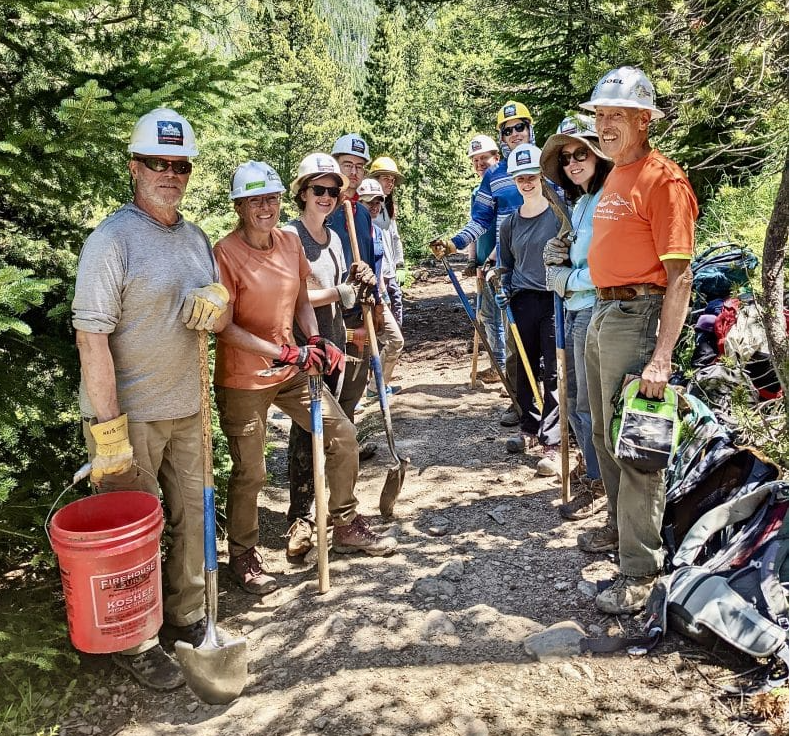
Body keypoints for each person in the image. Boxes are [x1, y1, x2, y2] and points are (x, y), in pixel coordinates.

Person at [72, 108, 230, 690]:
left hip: (189, 408)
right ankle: (136, 637)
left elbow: (217, 310)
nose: (171, 174)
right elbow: (91, 340)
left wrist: (218, 306)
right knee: (135, 532)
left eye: (180, 165)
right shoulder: (110, 242)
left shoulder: (195, 240)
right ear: (135, 167)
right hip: (129, 418)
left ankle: (188, 616)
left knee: (192, 519)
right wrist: (108, 431)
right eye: (158, 163)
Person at [213, 160, 398, 586]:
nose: (266, 207)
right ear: (240, 206)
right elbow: (224, 326)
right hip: (244, 377)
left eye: (271, 198)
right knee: (251, 471)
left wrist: (312, 341)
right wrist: (283, 350)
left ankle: (345, 522)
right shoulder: (225, 253)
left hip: (291, 367)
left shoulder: (287, 243)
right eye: (255, 200)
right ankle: (243, 554)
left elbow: (299, 298)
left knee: (342, 435)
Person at [573, 67, 698, 615]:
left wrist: (662, 355)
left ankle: (641, 570)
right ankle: (616, 530)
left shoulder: (663, 179)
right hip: (603, 310)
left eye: (615, 116)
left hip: (639, 312)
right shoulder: (616, 176)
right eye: (599, 116)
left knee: (637, 444)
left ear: (644, 121)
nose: (603, 125)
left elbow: (681, 277)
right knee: (602, 432)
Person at [282, 153, 377, 558]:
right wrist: (339, 292)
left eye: (332, 191)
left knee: (335, 433)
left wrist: (359, 285)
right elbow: (291, 297)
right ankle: (300, 519)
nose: (326, 196)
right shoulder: (289, 237)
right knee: (307, 435)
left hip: (335, 345)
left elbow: (343, 288)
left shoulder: (336, 238)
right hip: (305, 350)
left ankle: (336, 516)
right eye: (318, 189)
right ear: (302, 193)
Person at [429, 102, 531, 426]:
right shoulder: (495, 178)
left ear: (530, 128)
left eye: (520, 126)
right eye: (507, 129)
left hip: (545, 267)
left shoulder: (549, 164)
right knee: (515, 341)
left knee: (550, 341)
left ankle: (557, 417)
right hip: (509, 268)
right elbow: (481, 220)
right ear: (501, 136)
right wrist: (455, 243)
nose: (514, 134)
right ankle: (520, 405)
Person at [540, 115, 614, 519]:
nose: (572, 162)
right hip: (572, 311)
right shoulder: (582, 201)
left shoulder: (607, 200)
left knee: (587, 404)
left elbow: (612, 268)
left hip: (593, 310)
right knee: (572, 401)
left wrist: (565, 277)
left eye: (580, 153)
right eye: (566, 157)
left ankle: (598, 481)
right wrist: (560, 252)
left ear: (598, 154)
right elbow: (579, 254)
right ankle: (591, 470)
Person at [495, 143, 566, 476]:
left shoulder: (559, 214)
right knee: (524, 367)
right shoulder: (510, 223)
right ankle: (529, 427)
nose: (526, 182)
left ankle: (552, 442)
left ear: (542, 176)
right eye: (520, 177)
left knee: (553, 370)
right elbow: (505, 265)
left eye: (532, 176)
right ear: (514, 180)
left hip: (554, 300)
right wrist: (502, 287)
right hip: (522, 301)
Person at [326, 135, 383, 455]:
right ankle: (322, 456)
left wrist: (374, 301)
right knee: (327, 389)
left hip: (358, 307)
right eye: (348, 164)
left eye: (360, 166)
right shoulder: (323, 205)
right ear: (335, 164)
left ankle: (346, 449)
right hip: (328, 310)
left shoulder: (361, 213)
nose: (355, 172)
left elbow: (371, 260)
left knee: (354, 386)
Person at [463, 134, 508, 390]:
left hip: (501, 263)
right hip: (482, 264)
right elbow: (475, 226)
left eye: (485, 158)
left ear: (496, 158)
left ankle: (509, 370)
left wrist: (491, 260)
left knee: (505, 317)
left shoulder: (506, 187)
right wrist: (472, 260)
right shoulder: (476, 191)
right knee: (488, 316)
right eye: (476, 160)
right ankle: (498, 365)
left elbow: (507, 228)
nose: (480, 163)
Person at [356, 178, 405, 399]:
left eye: (378, 202)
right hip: (357, 301)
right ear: (359, 203)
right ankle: (354, 396)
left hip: (377, 298)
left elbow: (379, 266)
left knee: (395, 341)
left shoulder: (376, 230)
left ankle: (377, 387)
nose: (374, 207)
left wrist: (382, 292)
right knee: (358, 347)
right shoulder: (354, 231)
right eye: (369, 203)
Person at [368, 156, 406, 326]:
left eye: (392, 180)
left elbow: (395, 237)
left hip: (390, 271)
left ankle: (394, 351)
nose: (390, 183)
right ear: (375, 180)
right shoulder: (367, 206)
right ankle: (385, 350)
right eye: (386, 179)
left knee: (396, 308)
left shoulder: (388, 208)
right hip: (377, 272)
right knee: (381, 316)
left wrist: (400, 264)